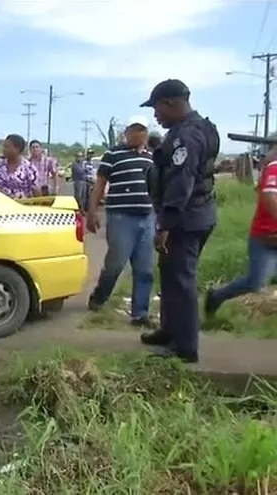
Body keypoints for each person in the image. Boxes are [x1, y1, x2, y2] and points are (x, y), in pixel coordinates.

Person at [141, 79, 220, 363]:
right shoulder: (197, 128)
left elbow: (180, 184)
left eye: (158, 108)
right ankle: (170, 330)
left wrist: (165, 225)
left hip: (185, 219)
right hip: (196, 214)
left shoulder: (185, 136)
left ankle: (185, 347)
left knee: (181, 279)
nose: (155, 115)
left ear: (172, 103)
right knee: (171, 274)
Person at [86, 116, 157, 328]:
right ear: (126, 132)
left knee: (145, 269)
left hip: (147, 217)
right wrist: (92, 212)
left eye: (141, 130)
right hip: (120, 217)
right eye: (133, 130)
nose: (137, 134)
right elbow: (99, 185)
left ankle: (140, 313)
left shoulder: (152, 157)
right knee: (115, 264)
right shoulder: (113, 154)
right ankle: (99, 297)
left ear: (146, 133)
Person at [204, 147, 277, 314]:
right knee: (255, 282)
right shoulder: (274, 169)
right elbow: (269, 197)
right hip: (266, 237)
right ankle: (216, 296)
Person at [0, 134, 38, 199]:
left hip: (21, 206)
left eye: (7, 147)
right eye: (4, 146)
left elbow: (36, 191)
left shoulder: (29, 168)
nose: (4, 149)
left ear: (17, 149)